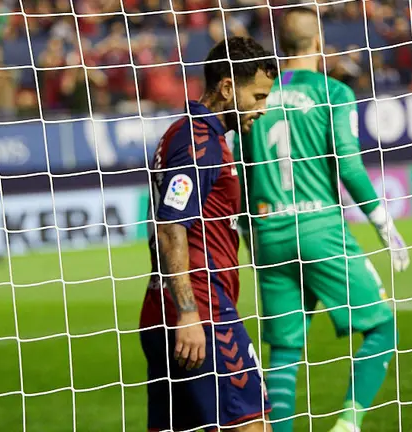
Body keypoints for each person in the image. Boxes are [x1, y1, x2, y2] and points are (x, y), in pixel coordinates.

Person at [233, 8, 410, 432]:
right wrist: (384, 224)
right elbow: (349, 169)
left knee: (284, 354)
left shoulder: (257, 95)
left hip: (268, 234)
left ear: (281, 46)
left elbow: (241, 172)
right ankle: (347, 426)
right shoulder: (334, 92)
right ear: (318, 44)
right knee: (383, 329)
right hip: (321, 230)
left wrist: (246, 233)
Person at [139, 36, 278, 432]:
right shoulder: (200, 142)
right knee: (253, 426)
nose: (263, 109)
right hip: (202, 312)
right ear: (228, 86)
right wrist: (188, 313)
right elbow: (170, 227)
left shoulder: (190, 135)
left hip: (166, 311)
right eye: (258, 96)